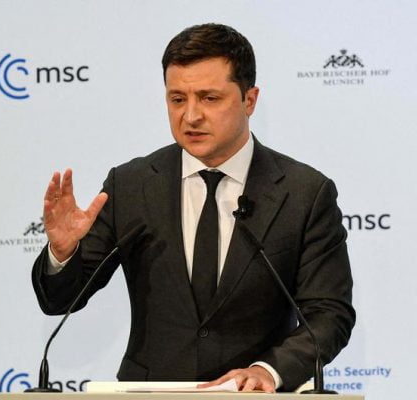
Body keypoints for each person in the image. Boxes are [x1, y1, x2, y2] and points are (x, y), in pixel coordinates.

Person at [31, 23, 355, 393]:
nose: (190, 116)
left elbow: (328, 313)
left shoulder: (303, 193)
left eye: (209, 98)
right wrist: (63, 253)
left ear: (249, 100)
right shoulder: (132, 185)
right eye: (177, 99)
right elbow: (58, 301)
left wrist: (268, 371)